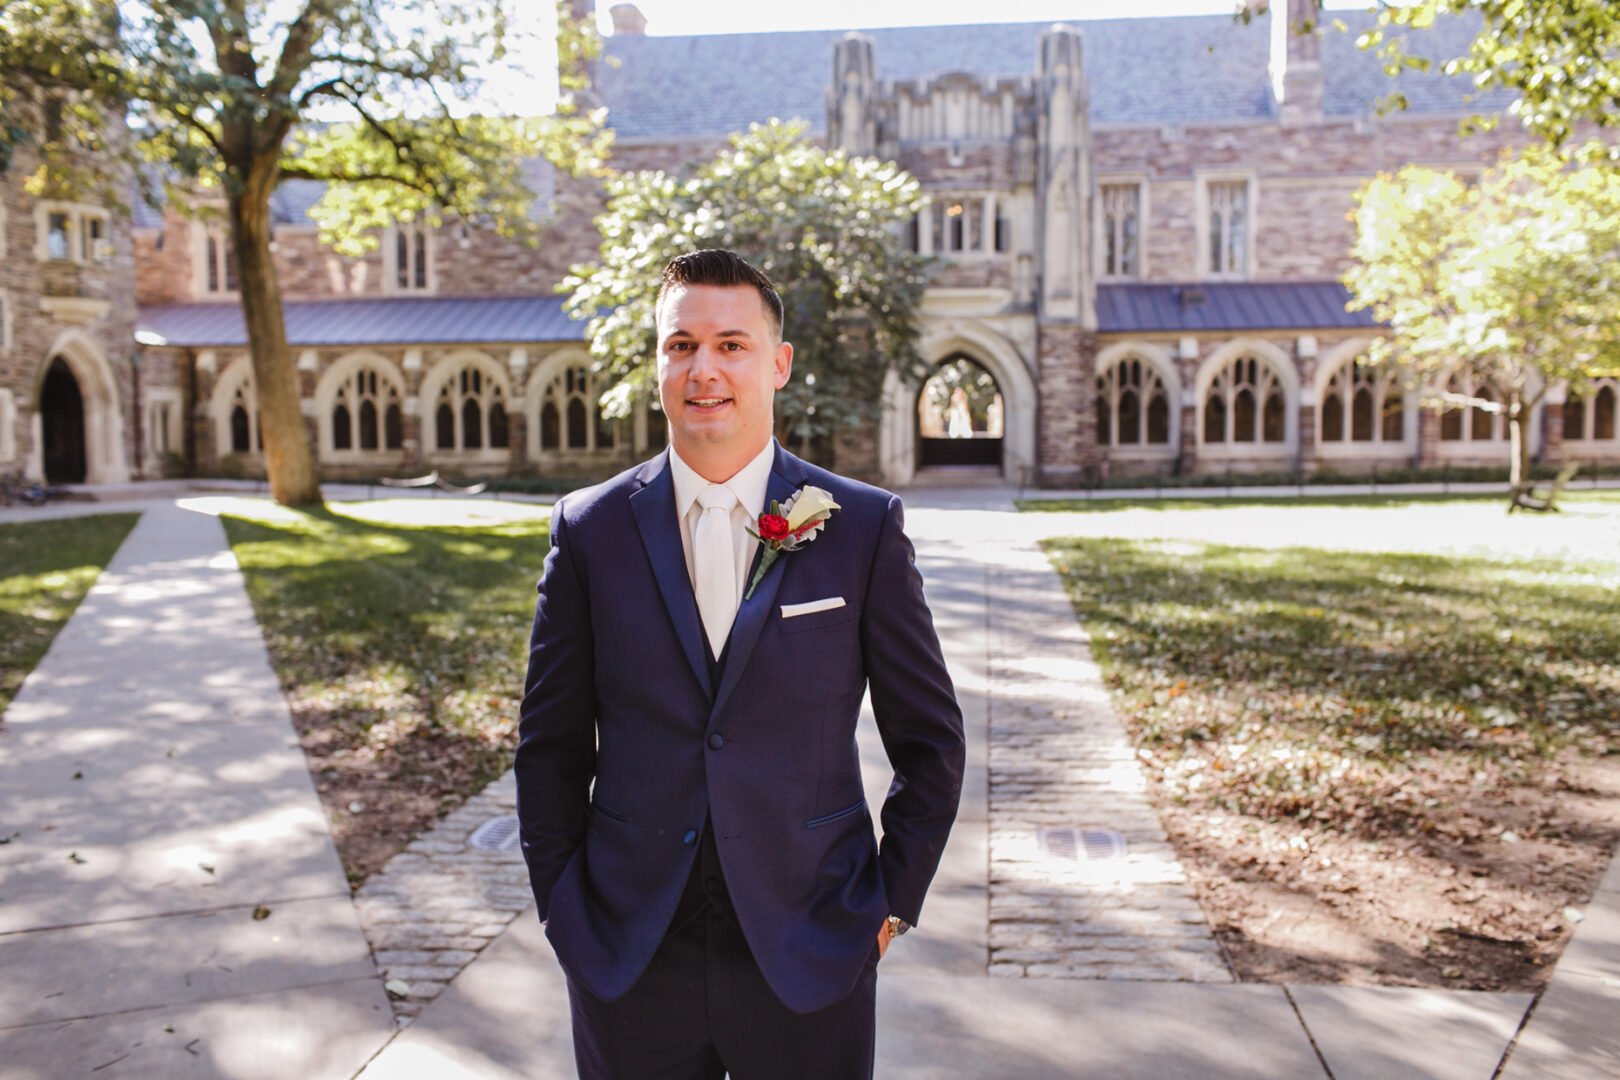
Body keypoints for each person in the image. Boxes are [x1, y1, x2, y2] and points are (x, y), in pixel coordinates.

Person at [515, 249, 965, 1079]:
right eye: (680, 345)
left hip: (811, 946)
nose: (703, 369)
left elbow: (931, 742)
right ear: (656, 362)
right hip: (629, 952)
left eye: (731, 344)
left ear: (779, 363)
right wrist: (566, 913)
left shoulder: (862, 528)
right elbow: (548, 748)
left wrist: (888, 908)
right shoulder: (588, 531)